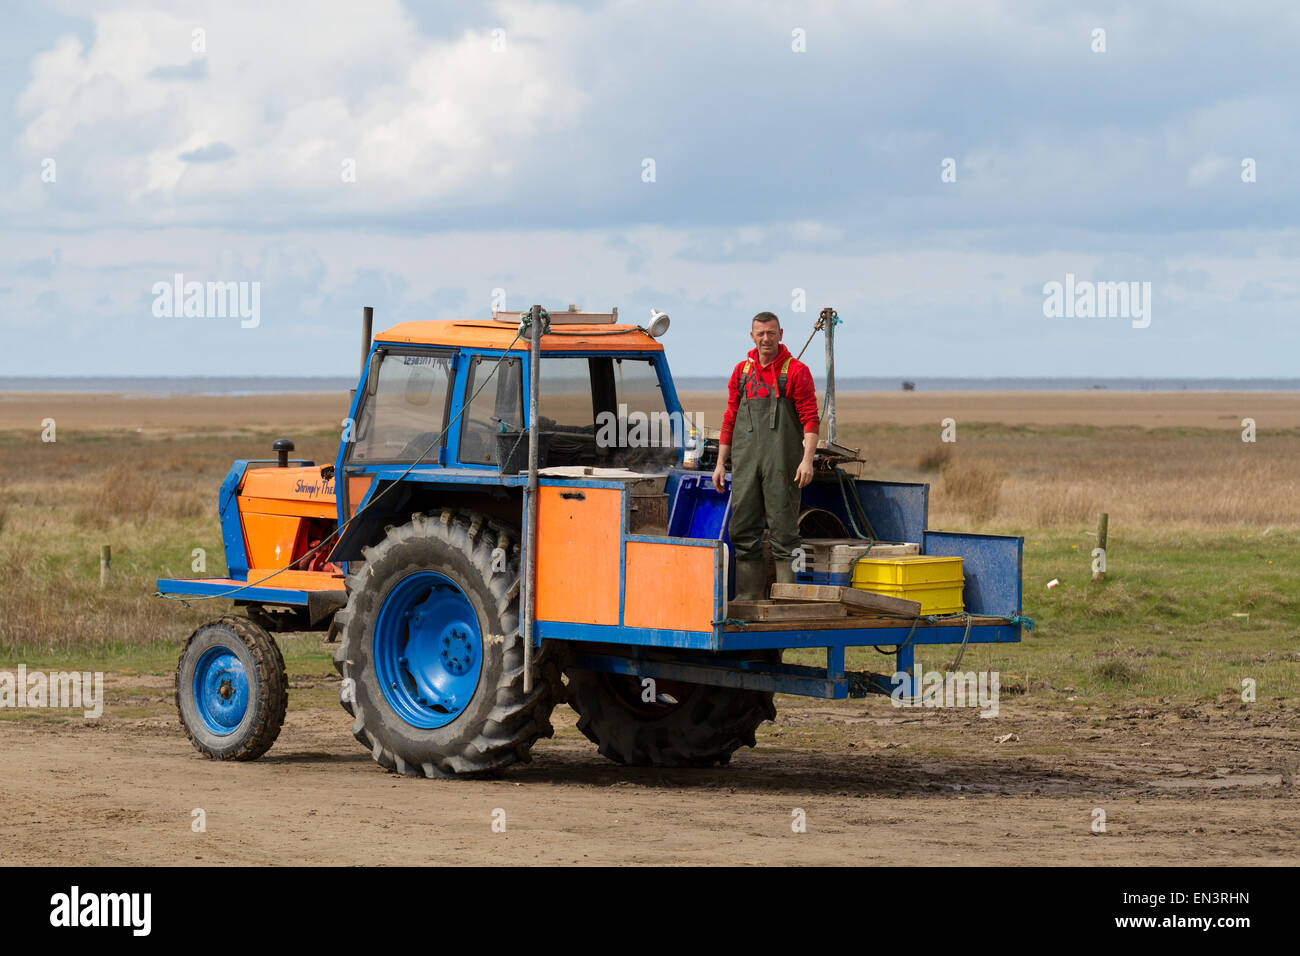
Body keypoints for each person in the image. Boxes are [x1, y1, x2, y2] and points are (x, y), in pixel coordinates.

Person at [711, 311, 820, 601]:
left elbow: (811, 419)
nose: (765, 338)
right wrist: (721, 463)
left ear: (781, 334)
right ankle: (749, 599)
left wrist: (807, 460)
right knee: (743, 528)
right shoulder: (742, 372)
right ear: (752, 336)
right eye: (760, 333)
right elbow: (730, 418)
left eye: (771, 333)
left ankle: (788, 598)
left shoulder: (796, 371)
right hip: (746, 464)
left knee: (785, 532)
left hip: (782, 463)